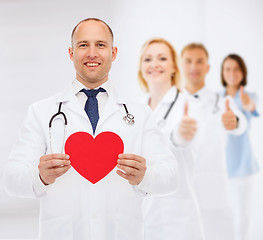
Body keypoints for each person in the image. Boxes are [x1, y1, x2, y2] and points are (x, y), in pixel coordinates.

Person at [3, 18, 179, 240]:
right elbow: (11, 179)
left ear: (114, 53)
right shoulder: (41, 112)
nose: (92, 53)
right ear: (71, 53)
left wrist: (145, 176)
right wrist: (40, 176)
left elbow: (171, 176)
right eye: (83, 45)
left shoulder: (140, 113)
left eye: (101, 45)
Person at [138, 38, 205, 240]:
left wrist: (182, 134)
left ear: (174, 67)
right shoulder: (135, 110)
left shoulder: (189, 105)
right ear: (141, 67)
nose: (154, 64)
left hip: (177, 218)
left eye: (162, 58)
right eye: (148, 59)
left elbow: (182, 138)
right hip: (142, 215)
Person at [181, 43, 247, 240]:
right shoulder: (172, 102)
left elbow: (240, 123)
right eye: (189, 61)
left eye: (200, 61)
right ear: (180, 66)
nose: (194, 66)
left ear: (208, 67)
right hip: (182, 193)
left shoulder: (222, 101)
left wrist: (233, 121)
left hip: (215, 191)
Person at [221, 54, 259, 240]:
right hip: (222, 166)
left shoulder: (249, 97)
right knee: (225, 215)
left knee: (243, 215)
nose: (232, 73)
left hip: (244, 166)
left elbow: (250, 118)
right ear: (222, 73)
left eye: (236, 68)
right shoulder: (216, 99)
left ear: (242, 72)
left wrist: (249, 106)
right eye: (228, 69)